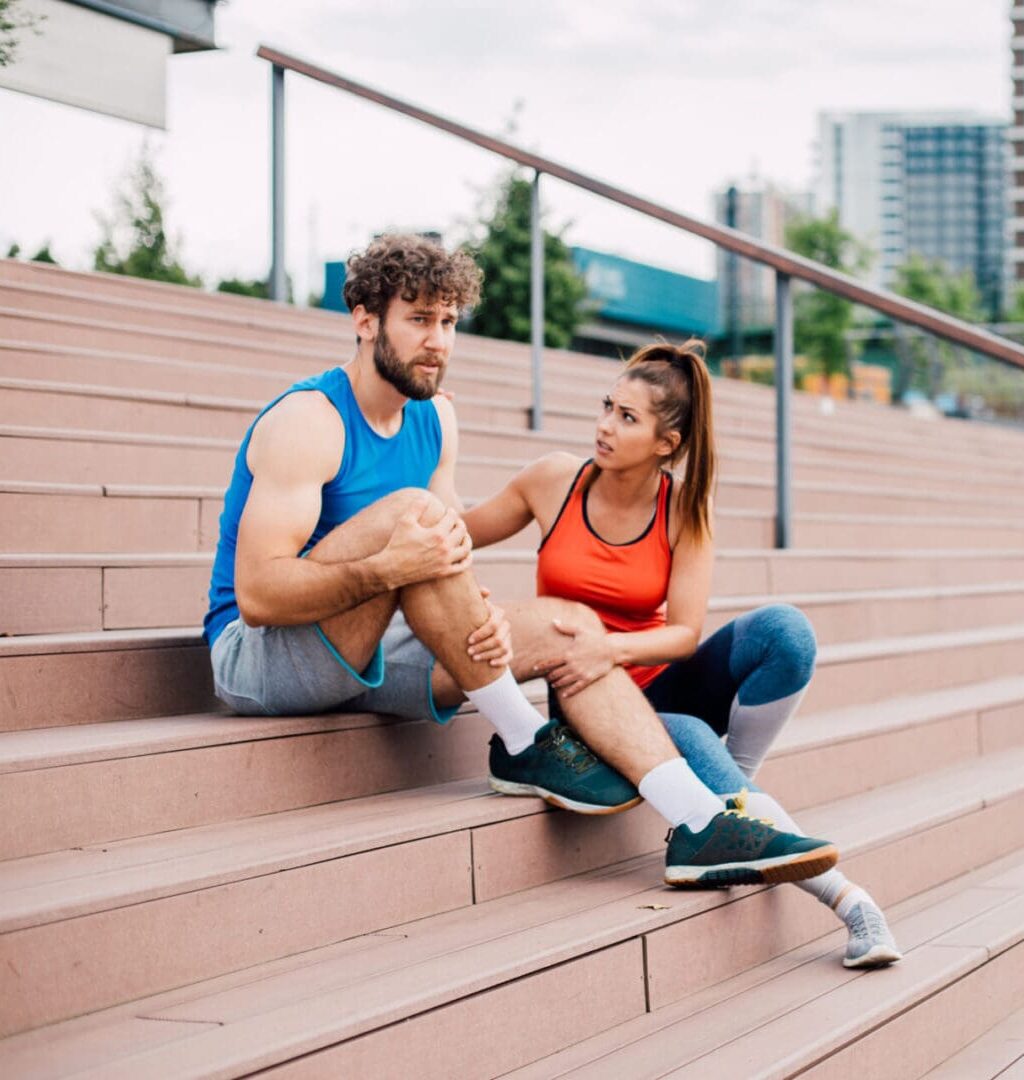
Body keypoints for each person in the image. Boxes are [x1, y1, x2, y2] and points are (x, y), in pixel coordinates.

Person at [201, 234, 836, 888]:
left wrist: (480, 619)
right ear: (364, 320)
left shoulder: (436, 417)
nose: (439, 341)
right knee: (414, 512)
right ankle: (524, 740)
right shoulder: (310, 420)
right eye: (418, 319)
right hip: (265, 656)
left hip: (375, 644)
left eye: (448, 322)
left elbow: (445, 561)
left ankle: (701, 823)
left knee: (576, 627)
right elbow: (259, 595)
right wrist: (388, 568)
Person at [464, 340, 902, 968]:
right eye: (607, 407)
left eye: (627, 418)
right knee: (690, 735)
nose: (605, 426)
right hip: (593, 706)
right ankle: (851, 902)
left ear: (666, 443)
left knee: (786, 631)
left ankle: (732, 789)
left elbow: (684, 634)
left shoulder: (683, 509)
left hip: (655, 675)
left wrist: (608, 646)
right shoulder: (552, 480)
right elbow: (463, 530)